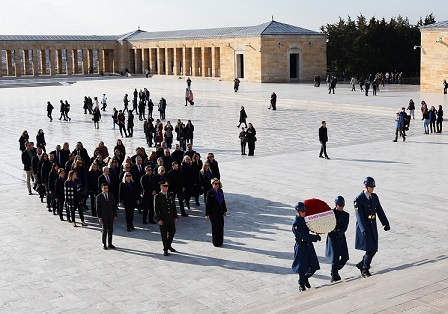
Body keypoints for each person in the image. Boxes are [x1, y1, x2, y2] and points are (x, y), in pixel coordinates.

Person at [354, 177, 390, 278]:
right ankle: (365, 269)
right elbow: (359, 217)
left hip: (372, 225)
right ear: (366, 187)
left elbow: (379, 210)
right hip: (365, 227)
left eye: (373, 187)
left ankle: (362, 264)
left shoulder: (374, 197)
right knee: (371, 249)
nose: (373, 189)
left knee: (374, 248)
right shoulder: (359, 199)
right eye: (371, 187)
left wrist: (385, 223)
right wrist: (363, 230)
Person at [291, 202, 321, 292]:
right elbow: (304, 235)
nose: (304, 213)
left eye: (304, 211)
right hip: (301, 246)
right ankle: (301, 284)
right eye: (302, 212)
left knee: (315, 265)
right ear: (298, 211)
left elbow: (311, 227)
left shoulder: (305, 219)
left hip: (308, 245)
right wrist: (315, 238)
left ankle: (306, 278)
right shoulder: (295, 224)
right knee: (302, 267)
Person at [325, 196, 349, 283]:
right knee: (335, 258)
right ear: (336, 205)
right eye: (340, 206)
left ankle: (335, 270)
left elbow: (344, 227)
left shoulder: (346, 215)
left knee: (345, 257)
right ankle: (334, 275)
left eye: (342, 206)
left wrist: (337, 232)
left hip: (341, 238)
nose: (341, 208)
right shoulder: (330, 213)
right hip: (332, 238)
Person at [154, 180, 178, 256]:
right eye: (164, 186)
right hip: (163, 218)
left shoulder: (171, 195)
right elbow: (156, 209)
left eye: (167, 186)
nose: (166, 188)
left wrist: (175, 216)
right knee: (164, 235)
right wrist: (158, 219)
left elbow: (173, 207)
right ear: (161, 187)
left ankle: (168, 245)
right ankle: (165, 249)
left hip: (170, 218)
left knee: (172, 232)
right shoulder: (157, 197)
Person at [205, 178, 227, 247]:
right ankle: (215, 242)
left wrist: (225, 210)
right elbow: (207, 204)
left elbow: (223, 201)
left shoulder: (221, 191)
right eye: (215, 184)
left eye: (218, 184)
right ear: (212, 184)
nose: (217, 185)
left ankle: (220, 241)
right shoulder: (210, 193)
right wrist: (207, 214)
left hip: (220, 212)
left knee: (221, 226)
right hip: (213, 213)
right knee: (215, 227)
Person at [96, 183, 118, 250]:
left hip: (110, 215)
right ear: (102, 188)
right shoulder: (99, 197)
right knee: (104, 230)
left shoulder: (111, 195)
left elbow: (114, 206)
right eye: (104, 188)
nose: (106, 189)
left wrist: (115, 214)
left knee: (110, 230)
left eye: (107, 188)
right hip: (103, 216)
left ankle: (110, 243)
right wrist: (99, 217)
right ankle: (104, 244)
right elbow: (98, 208)